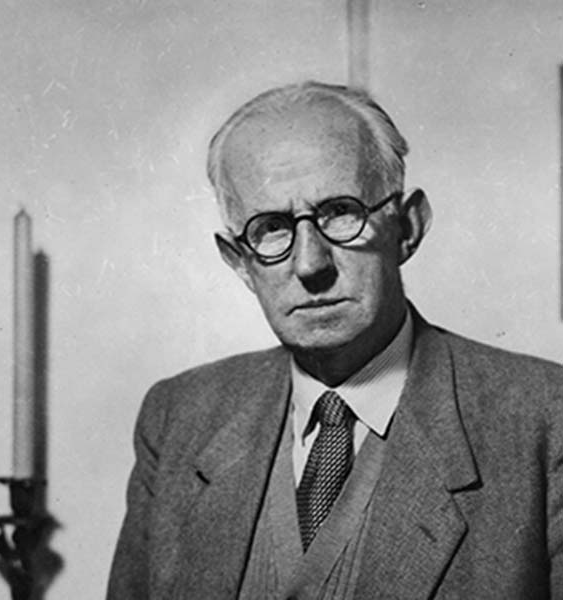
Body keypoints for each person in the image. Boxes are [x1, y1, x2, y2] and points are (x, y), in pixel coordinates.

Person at [107, 81, 563, 599]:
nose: (310, 265)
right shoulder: (178, 418)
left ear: (408, 228)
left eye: (340, 212)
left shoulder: (544, 421)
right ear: (239, 262)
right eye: (271, 227)